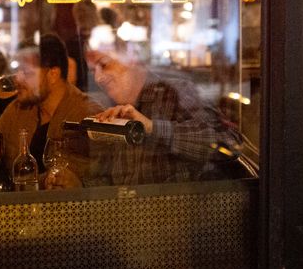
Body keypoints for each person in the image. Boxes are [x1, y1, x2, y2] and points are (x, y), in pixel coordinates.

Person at [82, 49, 244, 186]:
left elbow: (229, 144)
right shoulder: (113, 108)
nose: (98, 78)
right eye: (92, 70)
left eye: (104, 64)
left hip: (179, 216)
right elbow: (112, 180)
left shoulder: (176, 93)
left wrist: (152, 128)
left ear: (130, 57)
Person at [0, 34, 103, 179]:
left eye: (27, 72)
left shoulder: (86, 115)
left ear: (53, 74)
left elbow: (77, 179)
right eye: (17, 70)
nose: (18, 78)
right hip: (18, 201)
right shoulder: (19, 108)